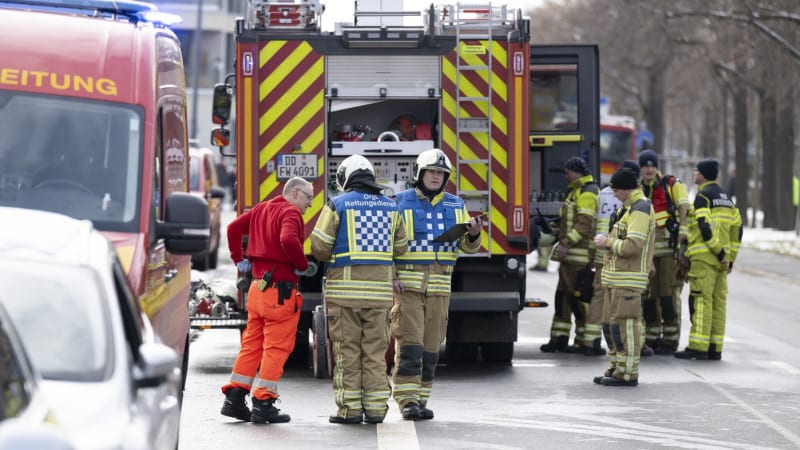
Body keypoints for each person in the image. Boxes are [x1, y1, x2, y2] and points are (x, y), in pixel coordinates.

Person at [310, 155, 408, 424]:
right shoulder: (392, 207)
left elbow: (319, 247)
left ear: (345, 178)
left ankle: (350, 410)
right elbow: (401, 248)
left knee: (347, 353)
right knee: (375, 355)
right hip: (379, 297)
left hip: (344, 297)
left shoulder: (337, 204)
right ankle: (375, 410)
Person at [391, 149, 482, 420]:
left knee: (431, 347)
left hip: (440, 289)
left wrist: (474, 235)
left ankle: (421, 399)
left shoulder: (456, 205)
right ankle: (407, 400)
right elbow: (387, 243)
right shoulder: (400, 202)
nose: (435, 177)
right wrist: (392, 275)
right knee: (410, 345)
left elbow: (467, 247)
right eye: (431, 172)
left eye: (441, 173)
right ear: (420, 174)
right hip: (408, 288)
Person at [220, 176, 314, 423]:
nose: (310, 204)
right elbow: (287, 239)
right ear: (295, 193)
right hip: (280, 294)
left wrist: (238, 258)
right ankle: (264, 402)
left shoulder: (261, 209)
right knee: (276, 347)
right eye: (308, 197)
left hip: (257, 289)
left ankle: (235, 398)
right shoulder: (291, 213)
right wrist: (302, 263)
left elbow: (232, 229)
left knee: (251, 344)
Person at [593, 167, 655, 386]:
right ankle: (616, 367)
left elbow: (633, 246)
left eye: (617, 190)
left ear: (627, 189)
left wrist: (607, 242)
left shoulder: (640, 209)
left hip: (628, 280)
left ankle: (627, 373)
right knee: (611, 327)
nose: (614, 194)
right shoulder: (627, 209)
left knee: (625, 327)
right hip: (615, 279)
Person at [675, 159, 742, 361]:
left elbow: (704, 226)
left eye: (696, 171)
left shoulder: (703, 196)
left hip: (705, 259)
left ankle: (698, 347)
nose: (694, 174)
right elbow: (737, 229)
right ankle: (714, 347)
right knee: (718, 303)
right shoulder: (727, 198)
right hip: (722, 262)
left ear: (702, 175)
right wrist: (729, 258)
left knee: (701, 301)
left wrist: (718, 252)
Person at [540, 156, 598, 353]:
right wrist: (554, 228)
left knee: (577, 299)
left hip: (578, 257)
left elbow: (584, 224)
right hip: (569, 257)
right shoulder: (575, 191)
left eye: (567, 172)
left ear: (576, 172)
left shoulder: (587, 193)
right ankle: (559, 338)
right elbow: (570, 221)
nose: (565, 176)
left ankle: (583, 339)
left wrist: (565, 243)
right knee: (562, 298)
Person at [584, 160, 641, 357]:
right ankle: (627, 346)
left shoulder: (602, 194)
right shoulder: (636, 201)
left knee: (600, 296)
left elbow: (592, 222)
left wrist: (593, 251)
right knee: (624, 301)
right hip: (622, 255)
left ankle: (591, 338)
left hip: (603, 250)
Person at [637, 150, 690, 355]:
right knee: (650, 297)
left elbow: (685, 211)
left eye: (652, 165)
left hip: (669, 251)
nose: (649, 169)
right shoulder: (638, 189)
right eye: (645, 166)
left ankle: (670, 339)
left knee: (668, 296)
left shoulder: (672, 185)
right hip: (647, 254)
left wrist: (682, 242)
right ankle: (651, 337)